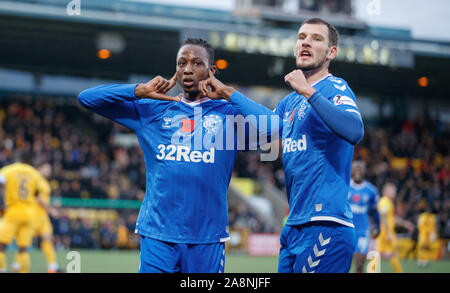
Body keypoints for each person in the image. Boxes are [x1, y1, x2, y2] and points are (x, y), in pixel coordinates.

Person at [198, 17, 364, 273]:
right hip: (294, 224)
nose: (305, 42)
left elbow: (354, 130)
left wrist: (308, 91)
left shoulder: (335, 87)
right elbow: (266, 129)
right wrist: (225, 93)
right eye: (301, 37)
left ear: (332, 52)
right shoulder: (289, 103)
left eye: (316, 38)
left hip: (326, 223)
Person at [78, 38, 255, 273]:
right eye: (181, 63)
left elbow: (275, 126)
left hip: (207, 238)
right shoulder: (152, 109)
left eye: (196, 63)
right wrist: (138, 90)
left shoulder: (230, 115)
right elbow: (87, 98)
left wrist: (228, 93)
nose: (188, 69)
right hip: (158, 236)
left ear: (212, 71)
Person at [0, 152, 47, 273]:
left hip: (13, 211)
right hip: (29, 214)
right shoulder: (35, 173)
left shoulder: (10, 170)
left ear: (18, 159)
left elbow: (1, 183)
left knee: (1, 246)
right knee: (23, 249)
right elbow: (36, 194)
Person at [11, 162, 60, 273]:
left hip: (42, 216)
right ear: (39, 168)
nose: (48, 172)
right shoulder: (34, 179)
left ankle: (53, 266)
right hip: (33, 215)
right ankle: (17, 264)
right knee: (24, 242)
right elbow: (37, 197)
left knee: (47, 238)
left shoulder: (45, 182)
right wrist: (50, 209)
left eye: (49, 169)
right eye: (46, 169)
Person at [348, 161, 380, 273]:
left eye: (360, 168)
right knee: (342, 260)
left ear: (364, 171)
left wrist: (377, 226)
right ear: (351, 170)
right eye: (355, 168)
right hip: (346, 228)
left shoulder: (371, 190)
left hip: (363, 229)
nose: (357, 171)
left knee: (360, 259)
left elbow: (375, 212)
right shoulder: (344, 186)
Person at [377, 183, 414, 273]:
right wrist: (388, 233)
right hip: (385, 233)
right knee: (387, 254)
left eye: (394, 190)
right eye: (391, 190)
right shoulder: (384, 201)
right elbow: (383, 216)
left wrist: (405, 223)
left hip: (386, 232)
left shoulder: (388, 202)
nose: (394, 192)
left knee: (382, 254)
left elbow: (391, 218)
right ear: (385, 191)